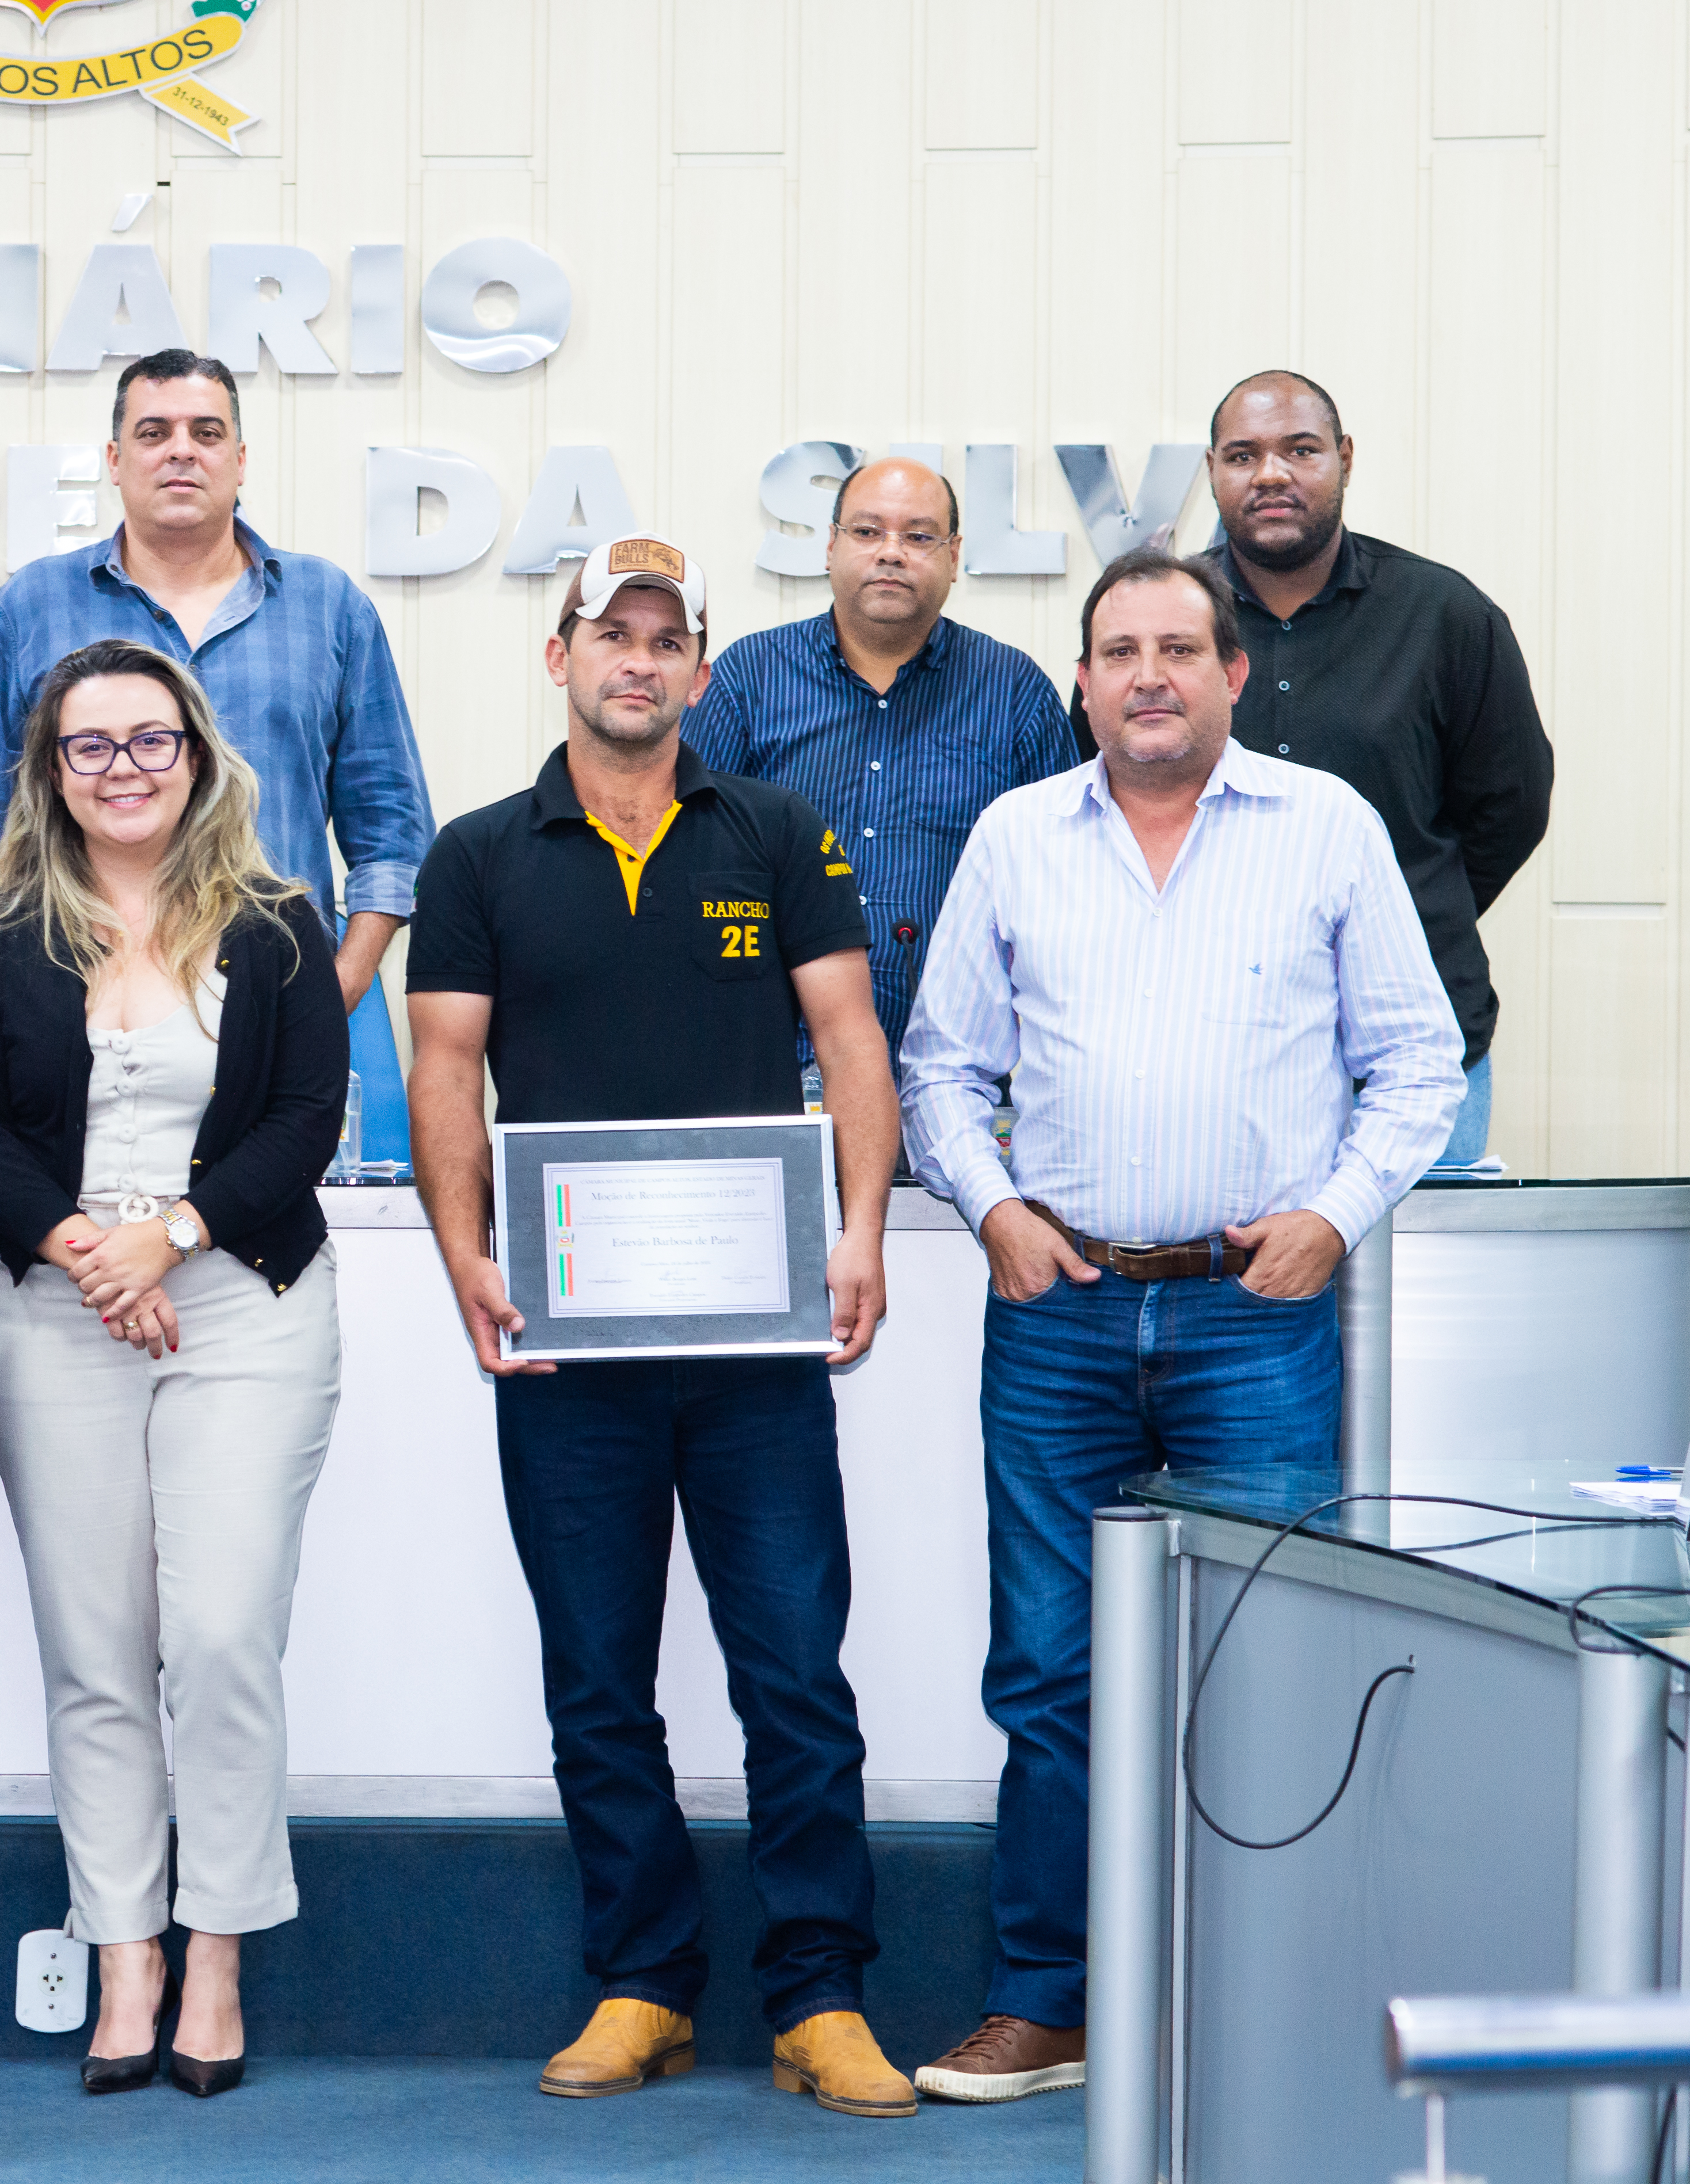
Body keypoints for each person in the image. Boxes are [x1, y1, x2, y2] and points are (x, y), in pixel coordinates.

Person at [899, 547, 1461, 2103]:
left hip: (1251, 1320)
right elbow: (940, 1065)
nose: (1146, 673)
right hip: (1059, 1313)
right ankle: (1047, 2002)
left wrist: (1331, 1214)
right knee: (1048, 1671)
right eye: (1116, 650)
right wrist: (992, 1209)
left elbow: (1415, 1062)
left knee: (1270, 1663)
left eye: (1176, 648)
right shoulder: (1018, 838)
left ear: (1229, 675)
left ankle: (1264, 1995)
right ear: (1080, 682)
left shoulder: (1322, 830)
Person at [404, 536, 913, 2118]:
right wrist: (460, 1253)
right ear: (554, 657)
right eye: (604, 635)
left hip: (755, 1350)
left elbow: (847, 1039)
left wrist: (861, 1226)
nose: (634, 661)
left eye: (663, 639)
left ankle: (819, 1996)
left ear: (701, 669)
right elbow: (441, 1073)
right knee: (597, 1677)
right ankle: (640, 1983)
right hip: (564, 1353)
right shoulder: (479, 856)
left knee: (792, 1676)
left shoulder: (774, 829)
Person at [0, 637, 350, 2099]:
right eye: (90, 746)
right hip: (55, 1303)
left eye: (148, 741)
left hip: (243, 1295)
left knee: (221, 1632)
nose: (122, 769)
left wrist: (161, 1241)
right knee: (96, 1650)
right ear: (52, 771)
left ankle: (220, 1944)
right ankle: (126, 1954)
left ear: (198, 750)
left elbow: (306, 1118)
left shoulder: (283, 922)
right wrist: (79, 1249)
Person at [0, 348, 434, 1157]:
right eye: (154, 431)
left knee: (295, 1247)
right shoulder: (29, 608)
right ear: (114, 460)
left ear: (240, 459)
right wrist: (31, 1004)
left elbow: (393, 840)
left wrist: (326, 992)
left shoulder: (329, 607)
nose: (180, 451)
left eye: (207, 432)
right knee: (101, 1250)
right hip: (91, 1025)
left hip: (301, 1003)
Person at [1201, 370, 1550, 1167]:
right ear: (1213, 471)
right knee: (1230, 1294)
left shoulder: (1444, 615)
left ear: (1345, 457)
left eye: (1299, 450)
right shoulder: (1165, 620)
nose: (1272, 475)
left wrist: (1401, 907)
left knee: (1417, 1293)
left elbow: (1512, 803)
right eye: (1243, 454)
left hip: (1409, 1051)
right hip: (1213, 1055)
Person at [684, 456, 1076, 1065]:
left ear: (953, 556)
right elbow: (689, 859)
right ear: (832, 547)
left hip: (962, 1068)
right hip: (773, 1057)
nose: (891, 553)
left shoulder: (1014, 690)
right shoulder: (750, 678)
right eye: (867, 532)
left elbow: (1065, 882)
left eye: (919, 537)